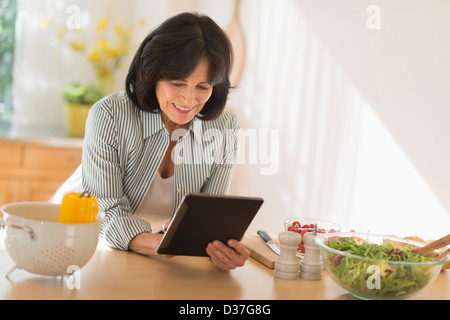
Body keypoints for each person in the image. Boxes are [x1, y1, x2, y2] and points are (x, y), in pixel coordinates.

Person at [51, 12, 249, 271]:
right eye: (177, 83)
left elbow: (208, 221)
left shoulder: (225, 129)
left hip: (152, 256)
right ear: (151, 74)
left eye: (203, 87)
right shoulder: (108, 115)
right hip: (77, 238)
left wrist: (221, 250)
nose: (189, 100)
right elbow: (106, 210)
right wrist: (159, 244)